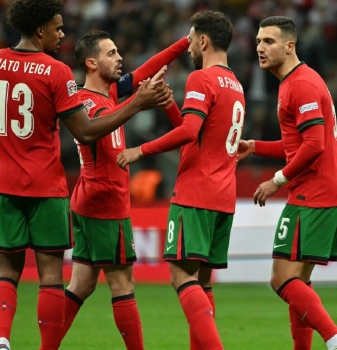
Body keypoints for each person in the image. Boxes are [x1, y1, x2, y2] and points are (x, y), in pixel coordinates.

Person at [0, 1, 171, 350]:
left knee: (8, 271)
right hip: (47, 188)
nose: (62, 35)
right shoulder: (56, 72)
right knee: (51, 278)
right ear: (40, 28)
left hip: (4, 186)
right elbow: (87, 132)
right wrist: (136, 104)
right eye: (57, 28)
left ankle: (1, 340)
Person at [117, 10, 244, 350]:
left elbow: (189, 132)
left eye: (189, 41)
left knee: (180, 276)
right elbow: (198, 137)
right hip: (223, 195)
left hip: (195, 193)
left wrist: (139, 151)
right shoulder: (235, 84)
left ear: (203, 41)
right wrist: (170, 105)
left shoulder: (202, 79)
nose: (188, 48)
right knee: (202, 284)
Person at [237, 16, 337, 350]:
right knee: (298, 282)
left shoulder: (301, 84)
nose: (260, 48)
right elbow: (299, 143)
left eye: (270, 42)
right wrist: (256, 147)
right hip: (324, 190)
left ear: (290, 46)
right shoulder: (293, 82)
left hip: (313, 193)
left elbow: (315, 145)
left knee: (281, 279)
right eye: (259, 41)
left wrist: (277, 179)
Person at [61, 30, 188, 349]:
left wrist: (185, 42)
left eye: (118, 51)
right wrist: (139, 103)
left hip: (90, 197)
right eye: (111, 53)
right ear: (91, 63)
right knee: (122, 282)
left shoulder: (109, 93)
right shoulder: (86, 100)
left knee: (82, 283)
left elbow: (145, 71)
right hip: (104, 199)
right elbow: (96, 128)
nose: (119, 58)